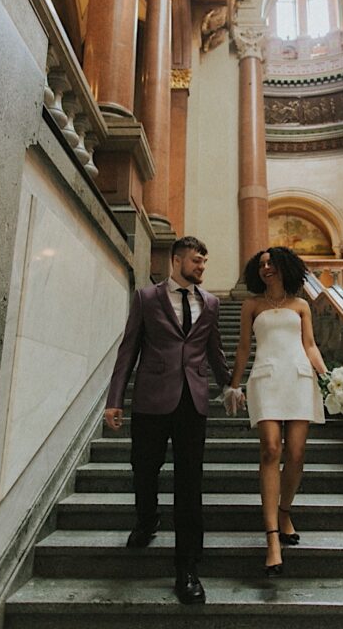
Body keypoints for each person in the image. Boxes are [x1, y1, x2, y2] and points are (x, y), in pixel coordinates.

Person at [104, 236, 232, 605]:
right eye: (196, 261)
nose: (201, 268)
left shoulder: (210, 303)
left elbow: (215, 350)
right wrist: (116, 400)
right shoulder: (147, 298)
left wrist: (230, 385)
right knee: (144, 468)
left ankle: (187, 568)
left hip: (193, 402)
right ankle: (147, 519)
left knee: (189, 484)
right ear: (176, 260)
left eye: (205, 263)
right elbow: (129, 348)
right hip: (151, 400)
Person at [228, 247, 327, 576]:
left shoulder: (301, 306)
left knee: (296, 454)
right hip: (266, 378)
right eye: (261, 264)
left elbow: (310, 344)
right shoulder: (251, 305)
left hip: (299, 377)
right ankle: (271, 538)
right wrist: (234, 383)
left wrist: (329, 378)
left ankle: (285, 511)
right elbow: (244, 346)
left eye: (271, 263)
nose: (266, 268)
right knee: (271, 448)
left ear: (285, 266)